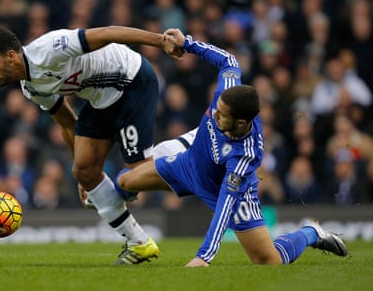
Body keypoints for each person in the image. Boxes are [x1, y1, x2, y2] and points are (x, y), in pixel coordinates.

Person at [114, 29, 348, 267]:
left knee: (269, 262)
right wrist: (188, 43)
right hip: (189, 164)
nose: (214, 113)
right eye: (217, 107)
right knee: (123, 182)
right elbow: (229, 60)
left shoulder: (244, 156)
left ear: (240, 124)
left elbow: (225, 206)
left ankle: (311, 233)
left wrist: (203, 257)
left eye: (222, 114)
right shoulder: (227, 92)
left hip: (223, 191)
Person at [0, 25, 183, 264]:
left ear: (10, 56)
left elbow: (108, 33)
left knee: (140, 171)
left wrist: (161, 40)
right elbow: (66, 122)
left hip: (131, 81)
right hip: (99, 100)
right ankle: (139, 243)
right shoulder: (31, 87)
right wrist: (85, 179)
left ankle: (191, 163)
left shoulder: (48, 49)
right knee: (83, 170)